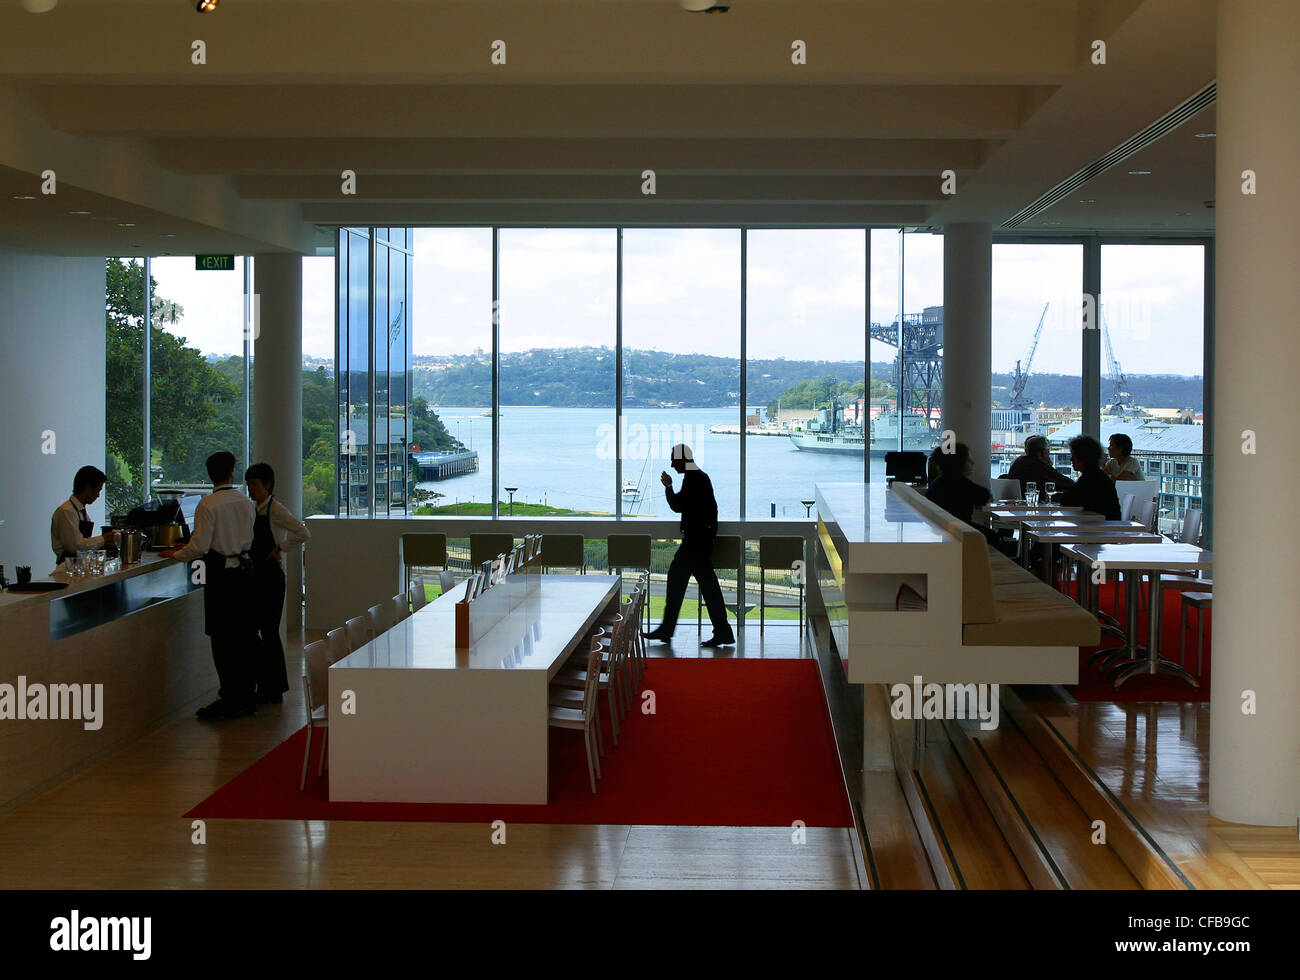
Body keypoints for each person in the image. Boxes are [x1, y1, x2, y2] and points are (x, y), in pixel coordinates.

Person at [161, 451, 259, 721]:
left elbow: (200, 547)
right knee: (245, 637)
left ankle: (229, 697)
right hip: (245, 576)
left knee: (223, 639)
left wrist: (176, 554)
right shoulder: (246, 502)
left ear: (210, 475)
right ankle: (247, 697)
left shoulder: (208, 505)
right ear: (232, 473)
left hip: (222, 579)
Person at [644, 444, 734, 647]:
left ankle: (668, 630)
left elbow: (677, 506)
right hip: (700, 541)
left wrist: (668, 486)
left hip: (694, 542)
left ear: (682, 460)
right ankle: (722, 631)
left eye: (674, 460)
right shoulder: (699, 477)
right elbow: (713, 509)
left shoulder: (693, 479)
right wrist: (711, 535)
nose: (672, 464)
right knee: (707, 588)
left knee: (682, 581)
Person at [244, 462, 311, 705]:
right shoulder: (253, 509)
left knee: (270, 631)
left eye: (254, 484)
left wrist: (280, 548)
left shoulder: (276, 509)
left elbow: (303, 532)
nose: (250, 489)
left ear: (267, 485)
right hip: (256, 575)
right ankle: (265, 685)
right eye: (248, 484)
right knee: (259, 630)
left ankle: (274, 687)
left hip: (271, 577)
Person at [51, 465, 116, 565]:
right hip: (67, 569)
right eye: (98, 490)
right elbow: (75, 547)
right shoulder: (66, 511)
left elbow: (84, 545)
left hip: (80, 568)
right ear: (88, 488)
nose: (98, 495)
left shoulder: (80, 511)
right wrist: (104, 538)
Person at [925, 442, 991, 526]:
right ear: (959, 462)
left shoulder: (939, 482)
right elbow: (984, 496)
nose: (973, 462)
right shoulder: (958, 483)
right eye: (968, 459)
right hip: (961, 531)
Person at [1059, 434, 1122, 519]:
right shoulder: (1096, 475)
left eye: (1073, 456)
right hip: (1103, 526)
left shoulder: (1090, 478)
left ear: (1082, 458)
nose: (1071, 459)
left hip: (1103, 528)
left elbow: (1068, 499)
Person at [1006, 435, 1075, 499]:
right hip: (1036, 505)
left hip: (1018, 504)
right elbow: (1069, 484)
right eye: (1048, 451)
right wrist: (1049, 466)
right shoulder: (1039, 465)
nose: (1049, 454)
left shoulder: (1019, 462)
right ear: (1042, 452)